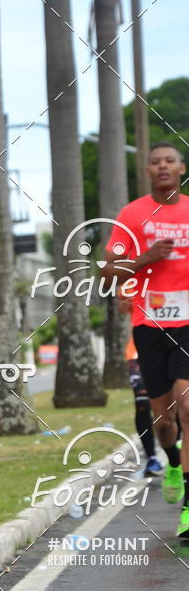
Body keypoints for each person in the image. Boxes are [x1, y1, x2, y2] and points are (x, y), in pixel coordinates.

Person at [102, 141, 189, 536]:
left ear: (182, 167)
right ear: (148, 171)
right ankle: (172, 460)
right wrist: (145, 259)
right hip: (149, 325)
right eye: (155, 162)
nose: (163, 166)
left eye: (170, 160)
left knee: (188, 408)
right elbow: (106, 272)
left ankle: (188, 503)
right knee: (164, 421)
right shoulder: (132, 214)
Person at [119, 296, 163, 478]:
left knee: (176, 407)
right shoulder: (136, 276)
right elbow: (122, 307)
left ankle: (176, 453)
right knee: (143, 403)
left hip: (175, 348)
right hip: (139, 350)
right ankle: (152, 458)